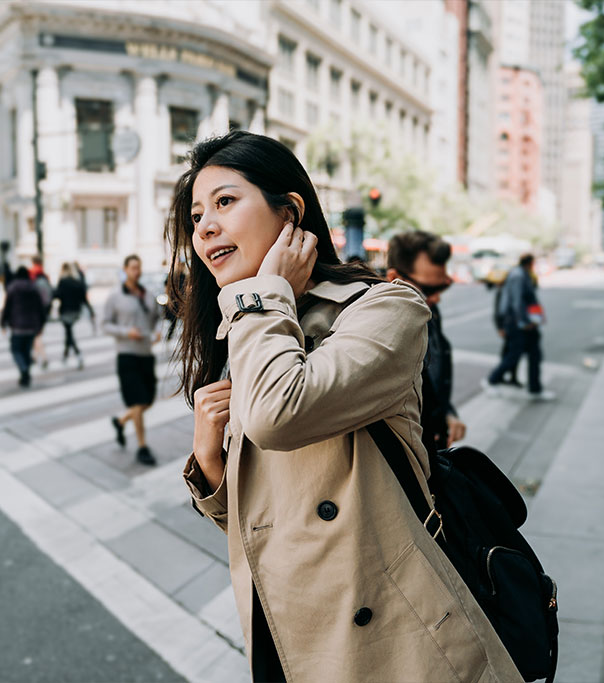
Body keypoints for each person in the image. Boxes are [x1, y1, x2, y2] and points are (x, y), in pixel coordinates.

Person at [172, 131, 522, 682]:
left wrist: (262, 297)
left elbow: (277, 416)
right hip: (284, 641)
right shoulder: (250, 327)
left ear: (290, 212)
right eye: (196, 215)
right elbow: (273, 525)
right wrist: (210, 465)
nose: (206, 227)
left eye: (225, 202)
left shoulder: (383, 308)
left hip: (392, 643)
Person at [386, 231, 466, 455]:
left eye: (444, 286)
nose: (437, 298)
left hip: (433, 441)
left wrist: (447, 414)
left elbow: (430, 378)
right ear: (394, 277)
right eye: (429, 289)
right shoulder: (380, 328)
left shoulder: (429, 309)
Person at [104, 254, 161, 467]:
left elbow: (158, 317)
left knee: (148, 401)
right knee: (138, 401)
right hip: (127, 355)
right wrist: (127, 332)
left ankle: (120, 422)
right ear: (125, 269)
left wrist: (157, 331)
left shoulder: (147, 295)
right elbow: (105, 324)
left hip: (146, 354)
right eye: (133, 267)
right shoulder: (115, 296)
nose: (136, 271)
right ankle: (142, 446)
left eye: (139, 267)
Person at [482, 253, 555, 400]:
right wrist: (525, 321)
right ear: (530, 263)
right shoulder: (518, 276)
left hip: (524, 323)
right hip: (518, 323)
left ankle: (535, 389)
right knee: (514, 355)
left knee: (534, 355)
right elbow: (516, 302)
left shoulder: (522, 274)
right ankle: (491, 380)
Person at [0, 265, 45, 387]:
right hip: (32, 325)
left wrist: (3, 322)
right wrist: (41, 325)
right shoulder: (34, 287)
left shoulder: (13, 287)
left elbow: (7, 307)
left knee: (16, 350)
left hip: (18, 325)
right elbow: (41, 308)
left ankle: (24, 370)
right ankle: (25, 374)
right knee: (26, 351)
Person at [52, 263, 89, 369]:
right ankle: (65, 355)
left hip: (65, 311)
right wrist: (90, 311)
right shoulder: (77, 281)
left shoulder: (62, 281)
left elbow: (57, 295)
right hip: (76, 311)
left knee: (69, 333)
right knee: (68, 332)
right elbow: (84, 298)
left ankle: (78, 354)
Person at [30, 257, 53, 369]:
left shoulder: (33, 275)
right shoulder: (45, 276)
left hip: (35, 311)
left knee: (37, 335)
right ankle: (35, 356)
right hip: (44, 310)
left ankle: (44, 358)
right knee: (37, 335)